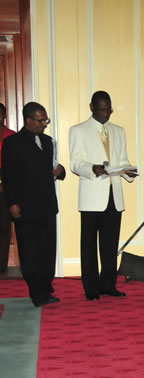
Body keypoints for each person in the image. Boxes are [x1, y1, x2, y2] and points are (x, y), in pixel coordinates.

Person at [69, 91, 137, 300]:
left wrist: (128, 171)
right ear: (91, 107)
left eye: (108, 110)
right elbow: (75, 163)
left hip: (113, 194)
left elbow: (122, 159)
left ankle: (108, 284)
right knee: (88, 245)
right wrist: (92, 168)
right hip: (92, 194)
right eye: (101, 110)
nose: (106, 114)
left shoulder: (118, 131)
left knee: (110, 244)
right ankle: (91, 289)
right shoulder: (78, 131)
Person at [0, 102, 67, 306]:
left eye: (46, 120)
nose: (44, 124)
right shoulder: (13, 143)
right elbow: (9, 176)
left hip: (47, 205)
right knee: (30, 252)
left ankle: (46, 288)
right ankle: (37, 293)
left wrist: (60, 172)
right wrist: (13, 204)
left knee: (47, 251)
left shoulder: (48, 142)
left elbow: (53, 169)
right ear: (28, 120)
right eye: (40, 120)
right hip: (25, 207)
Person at [0, 103, 16, 272]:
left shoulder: (11, 136)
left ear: (4, 115)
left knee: (4, 226)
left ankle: (1, 265)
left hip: (6, 180)